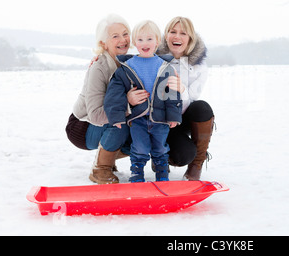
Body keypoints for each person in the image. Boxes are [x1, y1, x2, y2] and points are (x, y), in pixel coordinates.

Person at [128, 16, 214, 181]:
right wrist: (100, 59)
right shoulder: (151, 56)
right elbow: (128, 65)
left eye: (183, 33)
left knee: (202, 108)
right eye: (172, 32)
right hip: (154, 118)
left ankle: (196, 165)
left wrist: (181, 90)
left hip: (179, 119)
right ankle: (158, 159)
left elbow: (193, 97)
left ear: (190, 38)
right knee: (175, 151)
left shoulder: (199, 67)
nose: (177, 36)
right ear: (165, 36)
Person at [104, 20, 182, 182]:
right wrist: (117, 116)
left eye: (149, 39)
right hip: (138, 118)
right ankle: (137, 173)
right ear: (134, 42)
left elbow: (171, 94)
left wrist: (174, 116)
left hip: (160, 118)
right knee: (140, 147)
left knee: (160, 147)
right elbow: (114, 95)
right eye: (140, 40)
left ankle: (162, 173)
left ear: (157, 42)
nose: (144, 43)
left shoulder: (165, 66)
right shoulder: (126, 67)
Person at [65, 14, 132, 184]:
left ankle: (107, 159)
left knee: (143, 131)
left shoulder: (129, 63)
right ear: (103, 43)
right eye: (115, 36)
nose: (123, 39)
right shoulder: (98, 68)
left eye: (125, 33)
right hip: (83, 126)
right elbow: (95, 115)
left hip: (107, 121)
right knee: (120, 123)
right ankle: (100, 170)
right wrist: (128, 106)